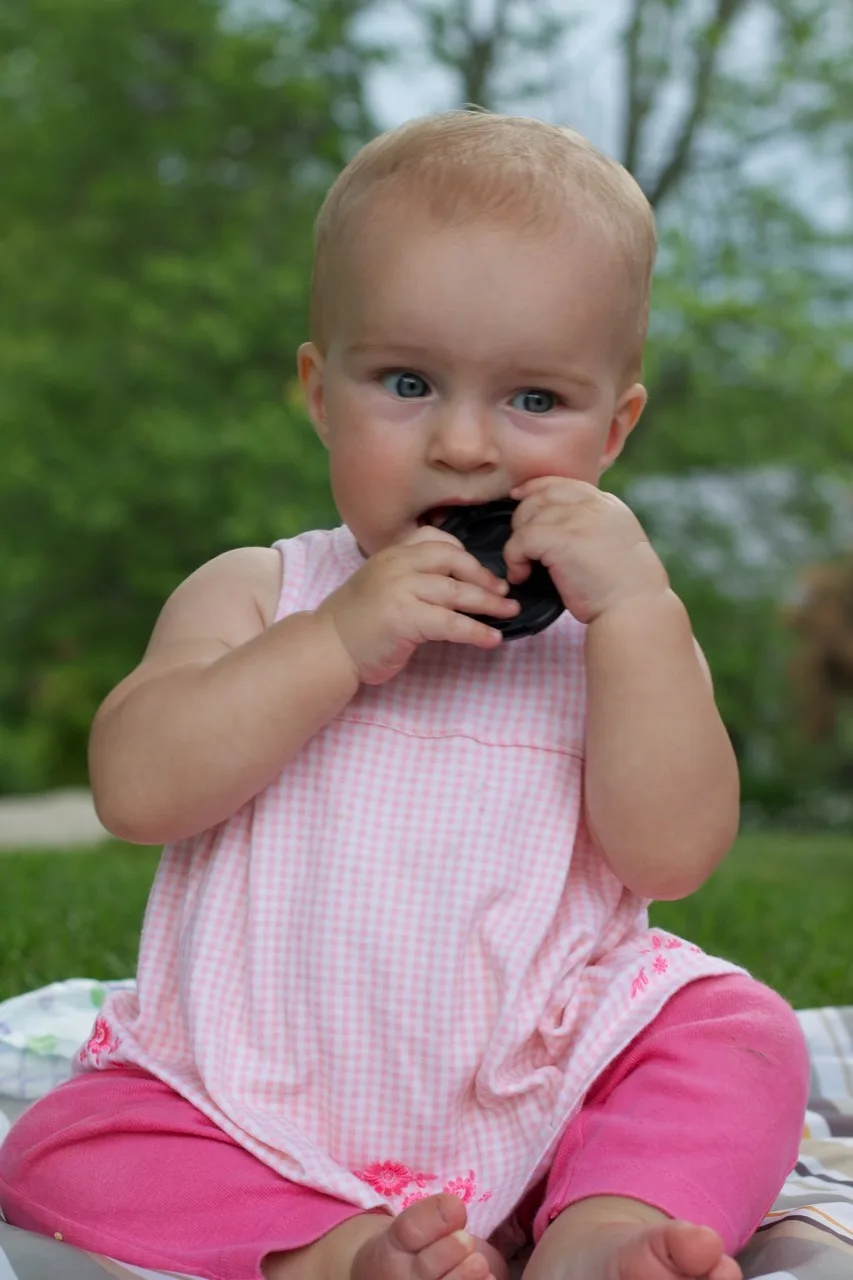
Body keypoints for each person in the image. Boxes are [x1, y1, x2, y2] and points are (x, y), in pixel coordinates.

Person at [0, 110, 809, 1280]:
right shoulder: (263, 591)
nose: (468, 445)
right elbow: (136, 788)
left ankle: (598, 1230)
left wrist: (638, 614)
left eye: (534, 399)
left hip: (547, 1078)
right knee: (61, 1145)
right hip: (250, 1096)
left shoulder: (607, 635)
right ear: (321, 394)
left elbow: (673, 853)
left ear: (614, 428)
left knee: (738, 1037)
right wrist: (336, 638)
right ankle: (338, 1253)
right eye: (408, 382)